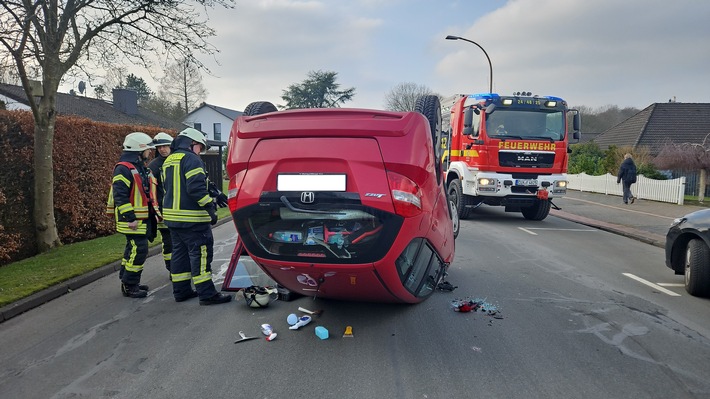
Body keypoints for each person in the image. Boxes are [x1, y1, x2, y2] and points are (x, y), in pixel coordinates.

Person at [161, 127, 232, 305]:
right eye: (200, 147)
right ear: (192, 143)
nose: (201, 151)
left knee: (179, 255)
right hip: (192, 220)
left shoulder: (169, 160)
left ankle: (181, 291)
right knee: (200, 255)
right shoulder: (192, 159)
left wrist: (217, 194)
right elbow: (195, 188)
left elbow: (199, 182)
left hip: (173, 219)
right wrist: (210, 206)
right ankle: (207, 294)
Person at [106, 132, 158, 298]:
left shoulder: (138, 167)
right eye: (147, 150)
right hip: (132, 220)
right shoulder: (123, 168)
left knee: (132, 249)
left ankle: (128, 281)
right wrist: (131, 217)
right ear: (139, 150)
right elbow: (120, 195)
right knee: (139, 250)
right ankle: (130, 285)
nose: (149, 153)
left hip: (140, 219)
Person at [148, 132, 174, 275]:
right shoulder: (154, 166)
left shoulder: (177, 161)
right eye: (159, 147)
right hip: (162, 210)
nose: (162, 149)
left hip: (177, 208)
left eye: (165, 146)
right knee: (168, 240)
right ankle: (171, 268)